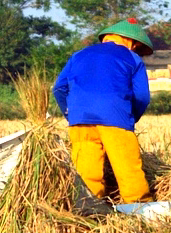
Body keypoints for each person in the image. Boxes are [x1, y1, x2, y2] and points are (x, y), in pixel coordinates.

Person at [52, 18, 154, 204]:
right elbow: (142, 96)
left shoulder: (78, 55)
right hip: (115, 118)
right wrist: (130, 117)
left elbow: (59, 88)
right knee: (127, 168)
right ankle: (139, 207)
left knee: (86, 170)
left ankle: (87, 208)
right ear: (132, 42)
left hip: (79, 120)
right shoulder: (132, 57)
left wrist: (70, 113)